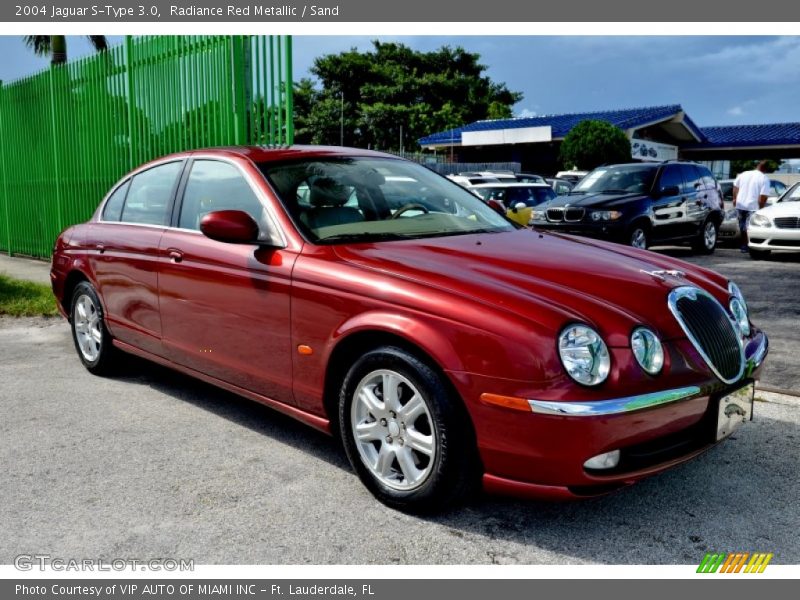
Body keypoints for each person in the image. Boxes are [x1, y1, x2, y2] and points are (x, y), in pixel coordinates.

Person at [732, 161, 771, 253]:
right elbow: (763, 196)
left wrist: (735, 199)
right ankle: (749, 245)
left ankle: (744, 246)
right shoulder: (764, 178)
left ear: (757, 166)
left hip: (740, 204)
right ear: (765, 169)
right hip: (753, 206)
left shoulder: (744, 174)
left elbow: (735, 186)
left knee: (742, 227)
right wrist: (761, 208)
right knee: (750, 228)